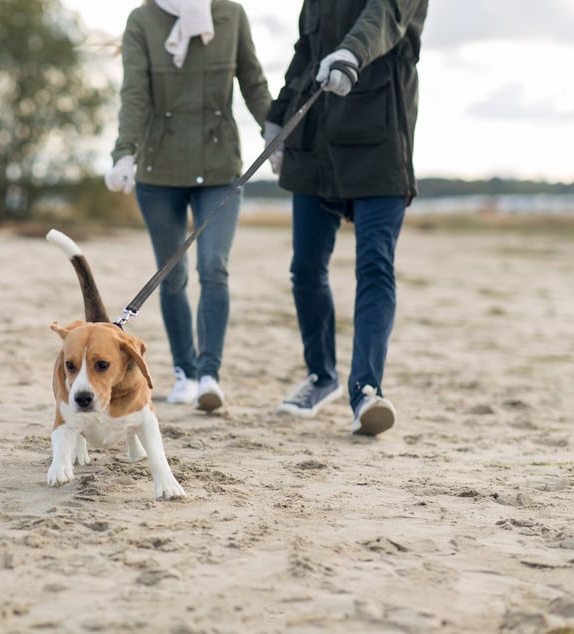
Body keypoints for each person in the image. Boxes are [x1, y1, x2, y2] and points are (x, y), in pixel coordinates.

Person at [264, 0, 428, 435]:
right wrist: (277, 117)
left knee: (375, 266)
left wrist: (351, 53)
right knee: (305, 269)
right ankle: (321, 377)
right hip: (315, 146)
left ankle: (366, 391)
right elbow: (305, 50)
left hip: (380, 144)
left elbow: (384, 16)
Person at [105, 0, 271, 412]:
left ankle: (209, 375)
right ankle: (185, 372)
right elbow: (135, 94)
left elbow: (252, 81)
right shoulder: (142, 20)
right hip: (159, 172)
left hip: (219, 169)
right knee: (172, 275)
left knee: (214, 267)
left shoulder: (231, 15)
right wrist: (124, 153)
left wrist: (275, 128)